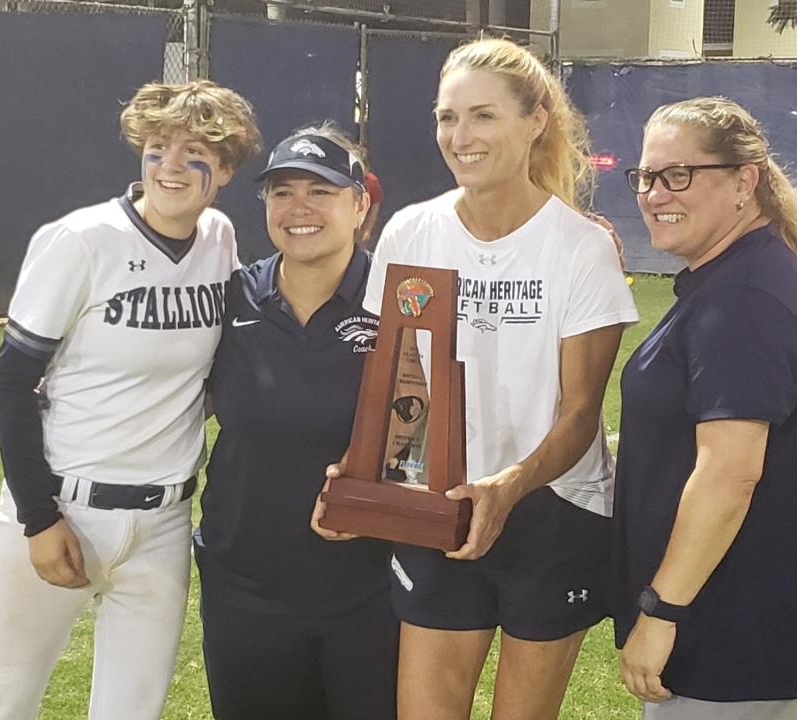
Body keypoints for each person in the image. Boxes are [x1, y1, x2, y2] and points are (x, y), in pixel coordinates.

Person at [312, 38, 639, 720]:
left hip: (552, 508)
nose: (460, 137)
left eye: (483, 116)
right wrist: (359, 473)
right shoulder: (411, 231)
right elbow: (395, 384)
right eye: (447, 117)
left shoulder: (581, 247)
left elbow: (580, 415)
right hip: (437, 505)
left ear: (535, 120)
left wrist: (510, 485)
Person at [0, 80, 260, 720]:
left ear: (226, 168)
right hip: (63, 505)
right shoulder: (80, 240)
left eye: (195, 151)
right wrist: (38, 519)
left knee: (132, 711)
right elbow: (9, 383)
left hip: (164, 521)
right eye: (157, 148)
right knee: (0, 704)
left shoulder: (220, 239)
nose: (171, 166)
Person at [195, 123, 399, 720]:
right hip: (245, 588)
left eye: (322, 190)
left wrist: (379, 493)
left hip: (371, 592)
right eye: (282, 192)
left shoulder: (402, 301)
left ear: (360, 204)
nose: (299, 208)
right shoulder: (230, 298)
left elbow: (436, 435)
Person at [614, 97, 797, 720]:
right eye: (644, 177)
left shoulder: (743, 297)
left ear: (745, 181)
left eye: (678, 175)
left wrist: (662, 613)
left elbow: (729, 474)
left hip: (731, 644)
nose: (654, 193)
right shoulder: (739, 275)